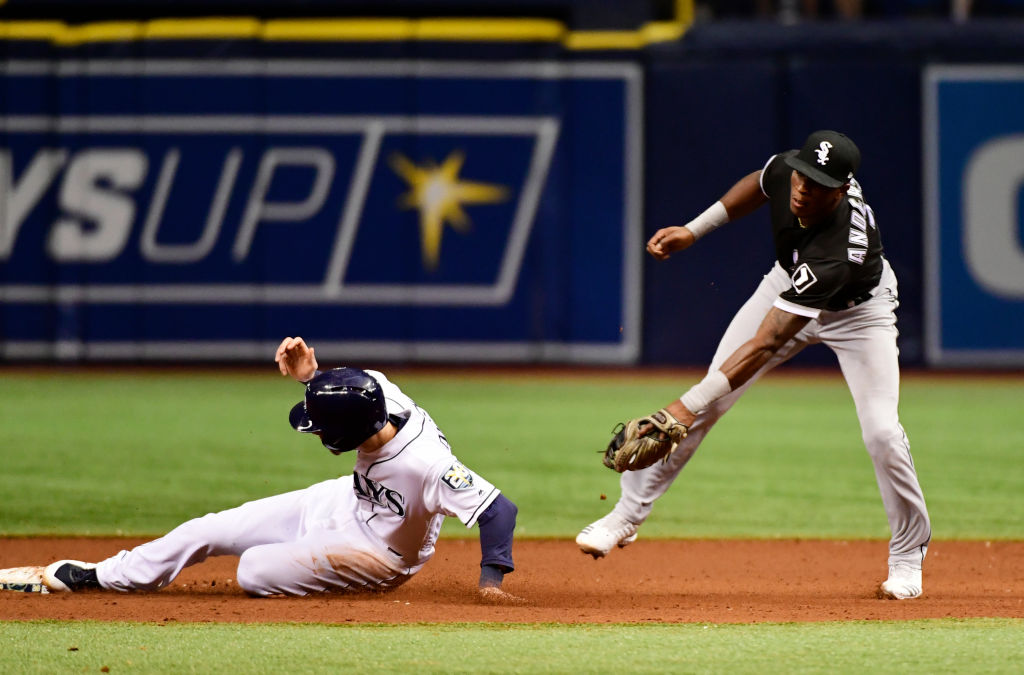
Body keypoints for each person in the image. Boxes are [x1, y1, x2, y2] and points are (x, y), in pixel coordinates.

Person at [576, 130, 931, 600]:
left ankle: (907, 557)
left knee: (882, 432)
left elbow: (768, 342)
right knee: (703, 406)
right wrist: (694, 229)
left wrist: (683, 405)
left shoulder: (840, 251)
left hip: (859, 312)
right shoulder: (793, 172)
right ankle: (626, 516)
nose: (803, 188)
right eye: (803, 176)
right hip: (788, 284)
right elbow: (760, 182)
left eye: (819, 185)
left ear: (842, 192)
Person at [5, 337, 520, 601]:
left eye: (321, 429)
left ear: (346, 435)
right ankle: (105, 576)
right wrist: (312, 376)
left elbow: (500, 510)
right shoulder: (376, 389)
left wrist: (489, 585)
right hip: (344, 501)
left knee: (253, 570)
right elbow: (346, 397)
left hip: (379, 555)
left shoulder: (427, 464)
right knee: (211, 528)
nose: (316, 432)